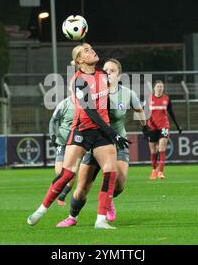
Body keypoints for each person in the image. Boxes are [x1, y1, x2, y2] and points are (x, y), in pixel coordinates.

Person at [27, 43, 130, 229]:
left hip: (101, 131)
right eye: (87, 50)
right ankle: (41, 210)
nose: (93, 51)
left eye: (91, 48)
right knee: (67, 174)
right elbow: (90, 110)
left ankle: (100, 220)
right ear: (80, 60)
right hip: (82, 130)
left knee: (110, 171)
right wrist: (112, 133)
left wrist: (111, 127)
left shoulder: (101, 75)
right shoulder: (77, 80)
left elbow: (107, 93)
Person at [56, 58, 149, 228]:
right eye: (105, 69)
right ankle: (72, 217)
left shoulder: (127, 94)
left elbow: (139, 109)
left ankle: (109, 200)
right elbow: (78, 85)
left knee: (119, 182)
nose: (108, 73)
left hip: (117, 143)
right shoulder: (95, 91)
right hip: (94, 142)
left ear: (119, 75)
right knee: (83, 187)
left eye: (112, 70)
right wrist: (76, 66)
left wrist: (145, 128)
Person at [146, 80, 182, 180]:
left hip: (164, 127)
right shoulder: (149, 99)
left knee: (161, 149)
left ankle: (160, 172)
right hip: (152, 127)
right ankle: (154, 170)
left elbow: (171, 113)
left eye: (161, 87)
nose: (160, 88)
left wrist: (177, 126)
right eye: (158, 86)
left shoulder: (166, 99)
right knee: (153, 151)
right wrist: (144, 128)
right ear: (154, 88)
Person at [48, 95, 79, 205]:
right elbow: (53, 120)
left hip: (76, 144)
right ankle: (59, 193)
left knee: (71, 173)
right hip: (62, 142)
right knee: (60, 172)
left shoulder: (87, 104)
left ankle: (62, 195)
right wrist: (52, 135)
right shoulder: (65, 103)